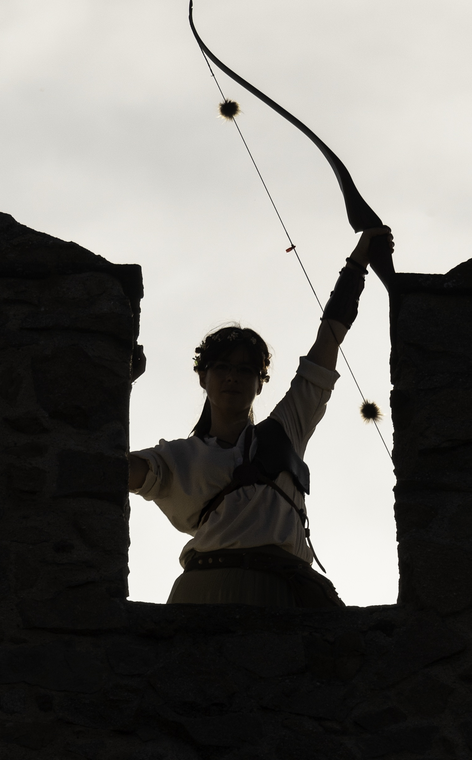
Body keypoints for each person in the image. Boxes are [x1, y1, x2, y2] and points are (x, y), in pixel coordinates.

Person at [128, 227, 392, 607]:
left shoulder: (287, 429)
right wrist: (122, 386)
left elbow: (329, 339)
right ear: (203, 378)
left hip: (286, 591)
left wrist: (359, 261)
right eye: (221, 367)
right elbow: (115, 470)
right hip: (206, 594)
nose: (233, 377)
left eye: (246, 370)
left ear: (260, 383)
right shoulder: (177, 458)